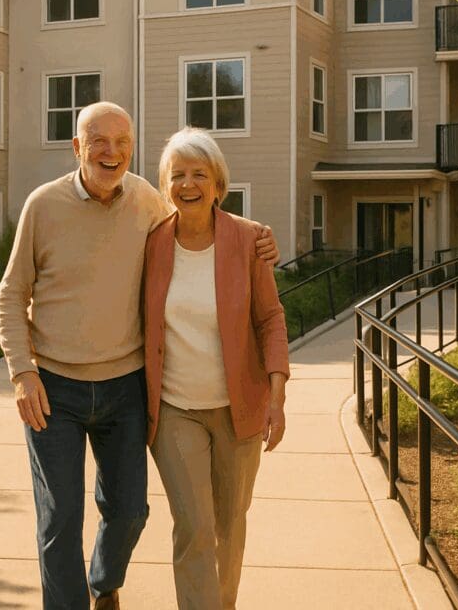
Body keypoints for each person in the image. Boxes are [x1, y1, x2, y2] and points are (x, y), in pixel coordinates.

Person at [0, 103, 278, 610]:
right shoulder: (43, 206)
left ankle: (104, 582)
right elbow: (11, 294)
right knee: (60, 516)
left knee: (128, 510)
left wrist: (257, 236)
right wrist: (22, 372)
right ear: (77, 148)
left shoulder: (148, 198)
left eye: (122, 141)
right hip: (54, 387)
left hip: (126, 385)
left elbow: (201, 217)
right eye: (98, 141)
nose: (112, 151)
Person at [143, 127, 290, 610]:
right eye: (177, 174)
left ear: (218, 185)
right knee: (195, 525)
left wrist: (277, 398)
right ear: (165, 185)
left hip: (239, 409)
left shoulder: (249, 240)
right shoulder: (150, 244)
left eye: (199, 174)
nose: (188, 184)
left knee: (230, 526)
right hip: (175, 410)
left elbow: (270, 320)